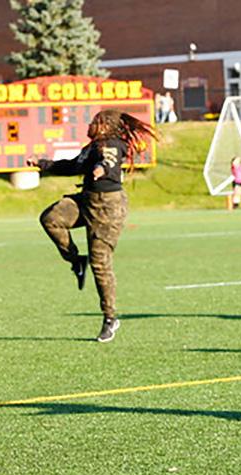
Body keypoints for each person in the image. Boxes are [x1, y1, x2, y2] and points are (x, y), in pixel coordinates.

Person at [31, 110, 156, 342]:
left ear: (105, 125)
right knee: (51, 218)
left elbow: (107, 160)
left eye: (94, 122)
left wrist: (101, 170)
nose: (89, 125)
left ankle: (110, 318)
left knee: (101, 264)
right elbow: (72, 166)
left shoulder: (112, 144)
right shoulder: (91, 146)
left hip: (108, 208)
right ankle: (77, 260)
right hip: (86, 200)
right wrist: (43, 164)